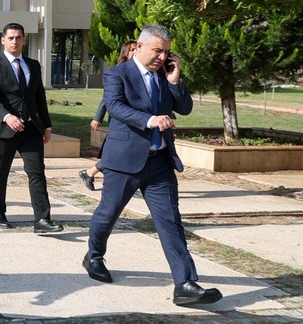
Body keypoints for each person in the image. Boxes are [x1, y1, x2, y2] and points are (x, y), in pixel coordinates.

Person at [83, 24, 222, 306]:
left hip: (159, 164)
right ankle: (94, 255)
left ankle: (184, 283)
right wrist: (150, 120)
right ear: (139, 46)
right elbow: (116, 106)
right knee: (108, 214)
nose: (161, 57)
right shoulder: (117, 74)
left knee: (170, 222)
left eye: (166, 52)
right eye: (157, 50)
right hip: (124, 162)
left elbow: (184, 108)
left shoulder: (163, 76)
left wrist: (174, 80)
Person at [0, 22, 64, 234]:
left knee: (37, 173)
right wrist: (7, 116)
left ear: (24, 40)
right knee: (0, 173)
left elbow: (39, 97)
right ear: (3, 40)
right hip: (4, 129)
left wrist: (46, 125)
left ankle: (42, 220)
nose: (15, 41)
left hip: (31, 130)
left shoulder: (33, 65)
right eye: (10, 38)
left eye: (18, 37)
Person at [79, 40, 137, 191]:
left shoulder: (141, 71)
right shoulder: (119, 71)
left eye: (138, 48)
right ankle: (91, 173)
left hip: (136, 119)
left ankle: (90, 172)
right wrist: (98, 117)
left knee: (127, 151)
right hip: (121, 119)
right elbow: (106, 98)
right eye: (132, 49)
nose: (136, 51)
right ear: (125, 53)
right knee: (120, 151)